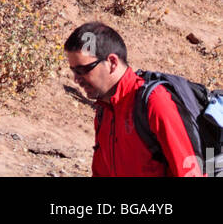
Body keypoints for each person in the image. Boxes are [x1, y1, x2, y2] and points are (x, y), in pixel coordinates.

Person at [64, 22, 203, 178]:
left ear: (112, 62)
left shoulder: (154, 102)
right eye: (73, 71)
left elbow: (190, 173)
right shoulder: (104, 109)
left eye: (82, 70)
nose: (76, 79)